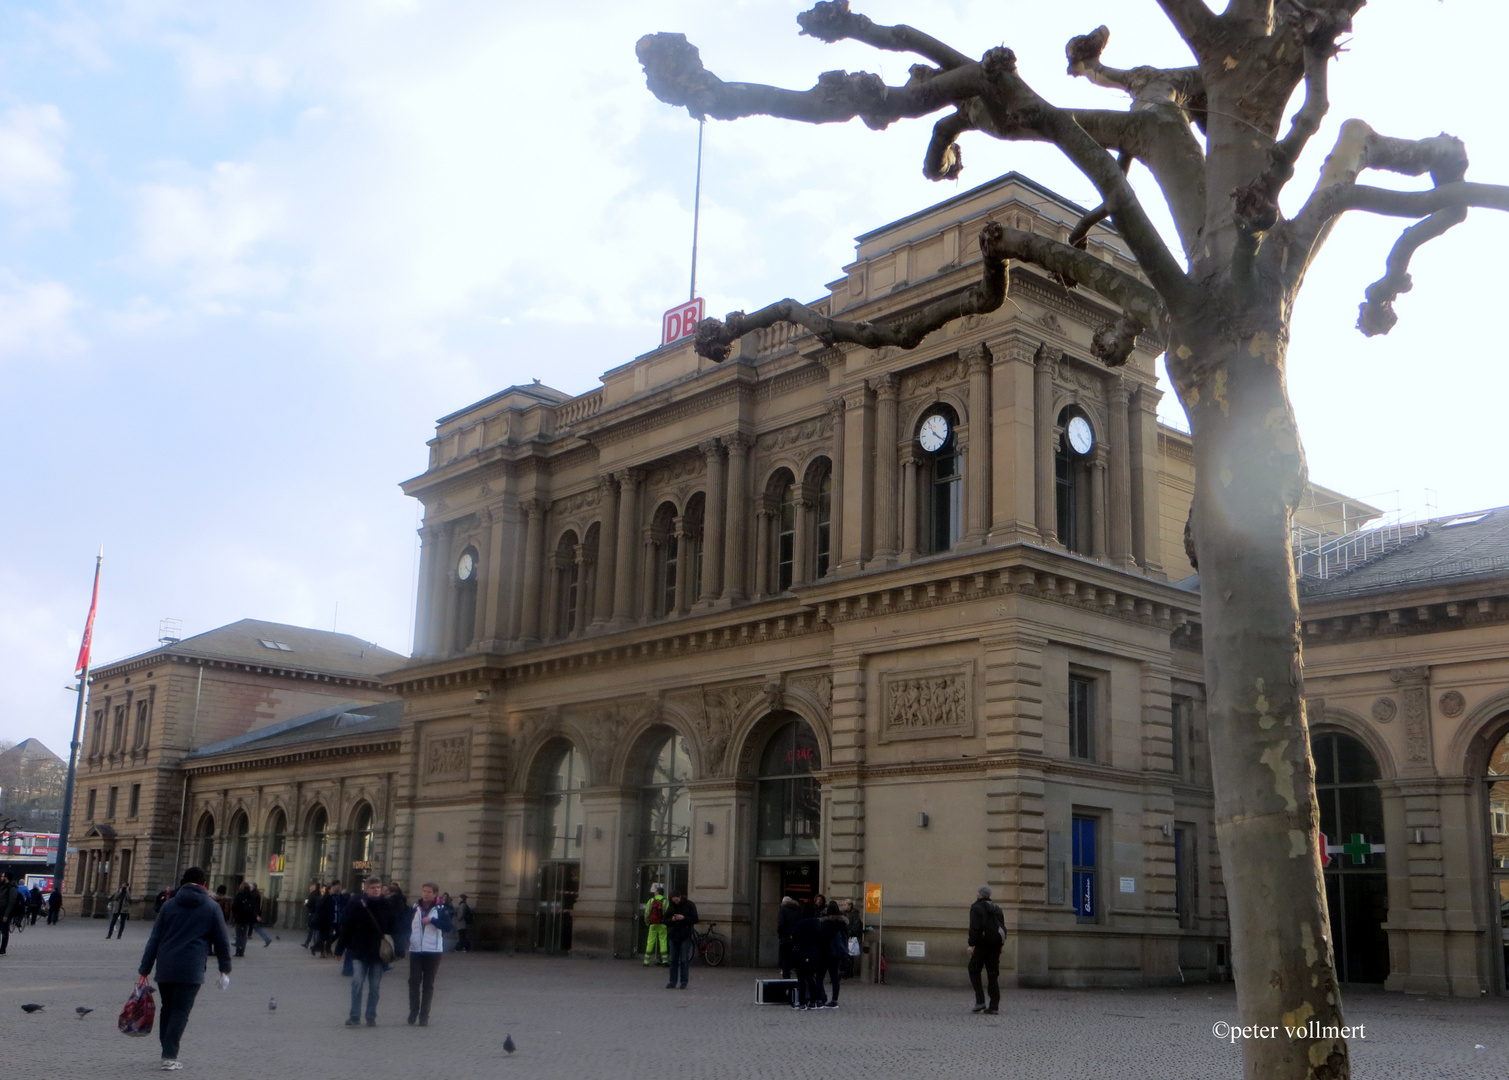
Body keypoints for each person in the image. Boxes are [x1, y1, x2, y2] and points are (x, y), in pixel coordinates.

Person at [137, 866, 232, 1071]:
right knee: (181, 1011)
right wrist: (225, 968)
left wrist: (144, 969)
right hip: (192, 968)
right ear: (204, 883)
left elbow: (154, 938)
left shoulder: (169, 906)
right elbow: (222, 941)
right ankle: (169, 1055)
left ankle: (166, 1049)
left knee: (168, 1008)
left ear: (183, 882)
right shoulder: (211, 907)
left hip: (166, 966)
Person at [334, 876, 397, 1027]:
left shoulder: (387, 905)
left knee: (374, 987)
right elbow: (347, 928)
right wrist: (339, 949)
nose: (376, 890)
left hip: (378, 954)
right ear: (366, 889)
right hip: (359, 951)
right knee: (357, 984)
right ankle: (354, 1016)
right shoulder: (357, 905)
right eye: (373, 887)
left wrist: (398, 948)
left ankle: (371, 1016)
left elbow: (394, 929)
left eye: (378, 887)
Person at [406, 882, 453, 1026]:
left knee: (428, 983)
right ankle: (413, 1011)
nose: (425, 894)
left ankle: (424, 1015)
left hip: (433, 951)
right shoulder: (415, 907)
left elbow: (448, 926)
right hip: (416, 950)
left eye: (429, 892)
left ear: (435, 894)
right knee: (414, 982)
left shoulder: (441, 909)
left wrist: (433, 920)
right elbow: (406, 925)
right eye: (424, 891)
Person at [967, 884, 1006, 1015]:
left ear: (979, 894)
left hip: (982, 945)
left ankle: (980, 1001)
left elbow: (974, 928)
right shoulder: (997, 908)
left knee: (973, 969)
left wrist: (971, 944)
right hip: (995, 946)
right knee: (993, 974)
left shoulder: (976, 907)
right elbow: (1002, 927)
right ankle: (994, 1005)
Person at [789, 911, 827, 1009]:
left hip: (801, 953)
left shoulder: (800, 923)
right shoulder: (818, 924)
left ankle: (802, 1002)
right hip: (814, 953)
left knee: (801, 979)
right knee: (811, 978)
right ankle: (813, 1002)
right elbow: (822, 939)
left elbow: (794, 937)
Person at [664, 890, 698, 990]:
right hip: (673, 935)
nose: (675, 902)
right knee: (673, 960)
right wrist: (672, 920)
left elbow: (695, 919)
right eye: (674, 901)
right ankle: (672, 981)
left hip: (685, 935)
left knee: (684, 960)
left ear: (680, 897)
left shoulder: (689, 905)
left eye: (677, 900)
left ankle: (684, 982)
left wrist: (683, 918)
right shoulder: (671, 906)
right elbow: (665, 920)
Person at [820, 900, 849, 1008]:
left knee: (820, 977)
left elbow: (822, 939)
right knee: (835, 977)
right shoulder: (842, 923)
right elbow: (846, 937)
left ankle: (821, 998)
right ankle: (835, 1000)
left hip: (825, 953)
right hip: (837, 953)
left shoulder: (825, 923)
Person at [643, 884, 668, 967]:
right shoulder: (665, 901)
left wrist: (647, 922)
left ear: (657, 892)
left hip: (653, 925)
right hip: (662, 924)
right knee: (663, 942)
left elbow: (647, 913)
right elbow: (667, 912)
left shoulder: (651, 901)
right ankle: (665, 961)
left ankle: (646, 961)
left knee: (650, 942)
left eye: (655, 891)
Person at [776, 895, 801, 978]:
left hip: (785, 938)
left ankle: (786, 979)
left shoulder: (783, 910)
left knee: (785, 960)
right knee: (796, 958)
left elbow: (781, 924)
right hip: (796, 938)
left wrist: (780, 934)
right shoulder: (798, 910)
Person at [230, 882, 256, 957]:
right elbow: (253, 907)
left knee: (239, 935)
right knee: (244, 935)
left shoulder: (239, 895)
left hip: (239, 918)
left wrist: (234, 915)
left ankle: (238, 950)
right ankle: (242, 950)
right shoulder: (251, 895)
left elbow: (234, 906)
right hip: (247, 918)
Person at [840, 898, 864, 977]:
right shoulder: (842, 913)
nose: (843, 906)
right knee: (843, 955)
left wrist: (850, 933)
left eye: (845, 905)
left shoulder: (854, 914)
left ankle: (849, 971)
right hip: (843, 936)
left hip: (850, 937)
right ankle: (844, 970)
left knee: (850, 955)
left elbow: (856, 925)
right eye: (843, 905)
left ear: (850, 905)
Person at [0, 873, 20, 954]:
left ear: (6, 877)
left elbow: (12, 902)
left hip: (5, 913)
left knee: (4, 931)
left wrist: (6, 915)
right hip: (1, 911)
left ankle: (2, 949)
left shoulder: (12, 888)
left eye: (3, 876)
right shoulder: (4, 886)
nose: (2, 878)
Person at [302, 882, 321, 948]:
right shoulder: (319, 894)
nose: (310, 887)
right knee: (316, 930)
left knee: (311, 930)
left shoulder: (311, 894)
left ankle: (307, 943)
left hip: (311, 913)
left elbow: (309, 904)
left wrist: (305, 904)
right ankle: (315, 944)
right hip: (318, 914)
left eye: (311, 886)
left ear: (314, 887)